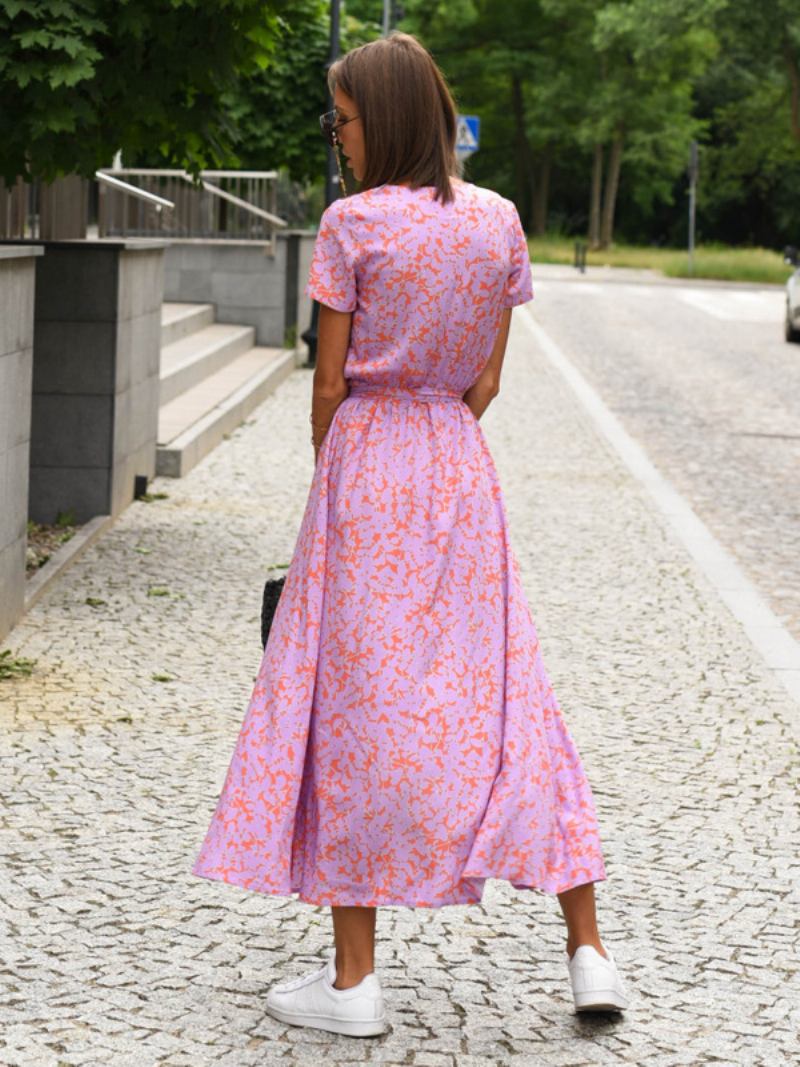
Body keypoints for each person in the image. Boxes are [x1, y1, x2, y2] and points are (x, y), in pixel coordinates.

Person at [190, 30, 629, 1038]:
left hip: (368, 465)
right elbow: (484, 378)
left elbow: (332, 380)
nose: (336, 139)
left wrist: (333, 480)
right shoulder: (499, 222)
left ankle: (353, 981)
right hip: (456, 469)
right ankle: (588, 951)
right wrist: (436, 440)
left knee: (357, 709)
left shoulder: (350, 226)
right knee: (509, 695)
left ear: (375, 119)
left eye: (341, 120)